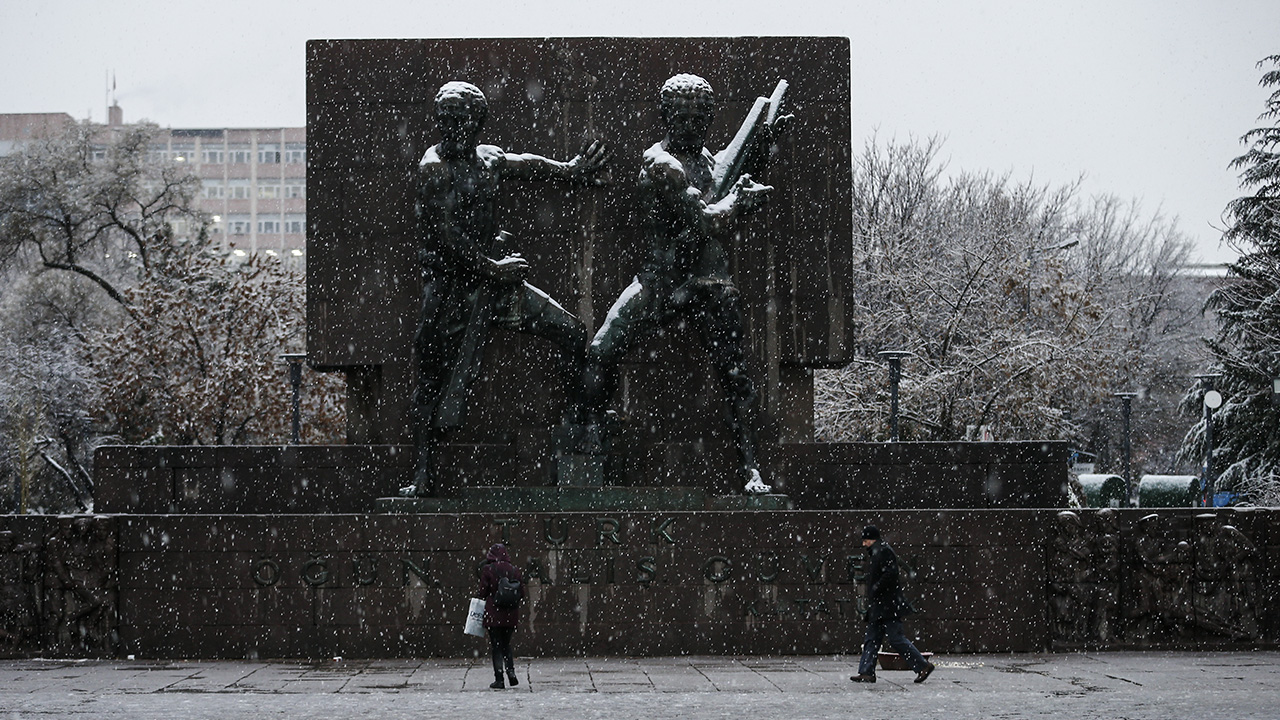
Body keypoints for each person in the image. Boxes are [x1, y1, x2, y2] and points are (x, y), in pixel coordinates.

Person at [402, 81, 611, 497]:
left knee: (572, 332)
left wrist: (571, 171)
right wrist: (494, 269)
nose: (452, 129)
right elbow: (445, 237)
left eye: (461, 121)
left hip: (496, 285)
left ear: (477, 124)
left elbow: (526, 163)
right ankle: (423, 474)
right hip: (449, 291)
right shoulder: (433, 169)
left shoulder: (488, 160)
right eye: (445, 120)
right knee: (431, 375)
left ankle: (576, 429)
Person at [581, 73, 782, 494]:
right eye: (681, 117)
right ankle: (592, 445)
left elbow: (728, 173)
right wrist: (741, 202)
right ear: (665, 116)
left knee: (735, 373)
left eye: (698, 118)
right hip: (661, 278)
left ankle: (751, 467)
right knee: (601, 350)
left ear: (707, 119)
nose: (690, 126)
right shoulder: (660, 164)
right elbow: (710, 217)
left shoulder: (708, 159)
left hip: (708, 279)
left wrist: (762, 143)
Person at [850, 525, 935, 684]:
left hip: (887, 605)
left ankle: (923, 666)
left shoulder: (883, 550)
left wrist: (876, 588)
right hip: (881, 605)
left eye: (865, 540)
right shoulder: (878, 550)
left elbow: (891, 573)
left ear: (872, 539)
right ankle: (866, 672)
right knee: (872, 638)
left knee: (895, 638)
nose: (863, 544)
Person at [477, 543, 524, 689]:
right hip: (511, 614)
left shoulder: (488, 569)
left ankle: (499, 679)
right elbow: (521, 593)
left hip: (494, 614)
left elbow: (483, 592)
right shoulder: (515, 570)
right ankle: (511, 673)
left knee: (496, 646)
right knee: (506, 645)